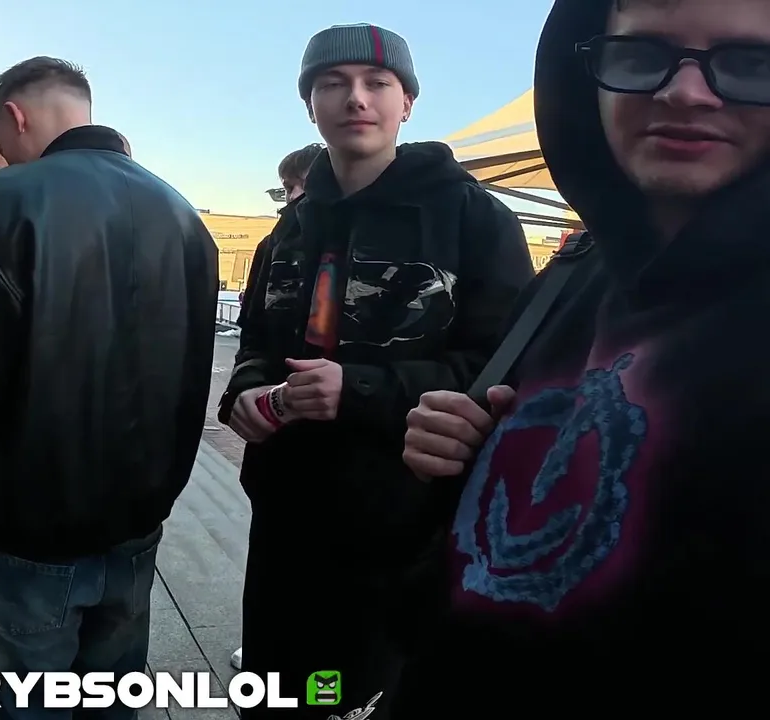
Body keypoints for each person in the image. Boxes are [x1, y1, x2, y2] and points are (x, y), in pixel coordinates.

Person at [399, 0, 770, 716]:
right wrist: (463, 454)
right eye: (642, 55)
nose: (685, 92)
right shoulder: (567, 276)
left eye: (750, 63)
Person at [218, 24, 534, 718]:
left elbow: (500, 369)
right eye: (332, 84)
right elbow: (255, 343)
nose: (354, 98)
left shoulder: (474, 220)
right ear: (310, 106)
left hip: (403, 521)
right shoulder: (288, 230)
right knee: (277, 691)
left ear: (406, 103)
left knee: (361, 692)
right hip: (286, 511)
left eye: (376, 83)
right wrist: (246, 394)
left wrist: (357, 390)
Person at [0, 57, 218, 717]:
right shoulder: (182, 213)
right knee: (114, 693)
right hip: (141, 516)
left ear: (15, 116)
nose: (2, 154)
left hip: (33, 519)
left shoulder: (2, 201)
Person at [230, 142, 322, 673]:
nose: (289, 198)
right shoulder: (277, 242)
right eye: (284, 189)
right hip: (278, 448)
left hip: (354, 463)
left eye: (293, 186)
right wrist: (244, 390)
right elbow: (253, 335)